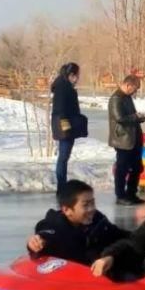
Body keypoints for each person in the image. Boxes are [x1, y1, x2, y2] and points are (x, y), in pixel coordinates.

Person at [25, 180, 129, 266]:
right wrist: (34, 243)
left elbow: (120, 235)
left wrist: (142, 238)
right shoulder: (55, 226)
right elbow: (43, 236)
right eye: (86, 205)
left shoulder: (98, 221)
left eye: (93, 203)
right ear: (66, 210)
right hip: (73, 282)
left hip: (100, 276)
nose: (92, 209)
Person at [108, 75, 145, 206]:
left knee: (137, 167)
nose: (135, 91)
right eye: (135, 88)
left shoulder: (127, 97)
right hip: (123, 139)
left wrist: (139, 117)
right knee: (122, 169)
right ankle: (120, 195)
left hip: (133, 138)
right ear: (128, 85)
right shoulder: (116, 98)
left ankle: (131, 193)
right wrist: (136, 117)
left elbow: (131, 116)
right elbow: (120, 118)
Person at [51, 62, 87, 194]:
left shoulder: (64, 85)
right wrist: (66, 128)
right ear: (71, 75)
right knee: (63, 157)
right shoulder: (63, 87)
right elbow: (61, 109)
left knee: (64, 157)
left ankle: (62, 186)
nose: (78, 78)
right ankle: (61, 187)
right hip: (64, 126)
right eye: (77, 75)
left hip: (64, 125)